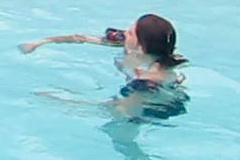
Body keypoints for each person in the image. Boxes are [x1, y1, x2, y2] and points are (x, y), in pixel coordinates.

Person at [20, 14, 190, 122]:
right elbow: (81, 38)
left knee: (119, 135)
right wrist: (40, 42)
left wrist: (62, 100)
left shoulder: (147, 81)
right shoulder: (133, 45)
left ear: (139, 47)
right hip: (145, 92)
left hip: (154, 105)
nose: (125, 33)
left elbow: (115, 111)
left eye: (130, 32)